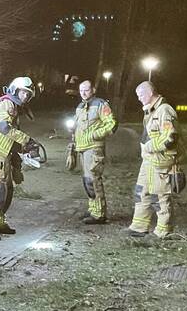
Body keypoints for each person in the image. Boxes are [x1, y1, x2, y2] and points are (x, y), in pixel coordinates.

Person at [0, 76, 37, 241]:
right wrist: (27, 141)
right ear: (15, 90)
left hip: (2, 150)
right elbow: (4, 128)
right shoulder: (6, 103)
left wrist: (18, 153)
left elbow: (9, 134)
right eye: (24, 92)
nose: (25, 96)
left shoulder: (12, 105)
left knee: (6, 188)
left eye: (28, 94)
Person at [128, 81, 180, 238]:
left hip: (160, 161)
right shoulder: (151, 110)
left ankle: (164, 231)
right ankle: (139, 226)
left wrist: (150, 146)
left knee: (160, 196)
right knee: (141, 192)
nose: (139, 98)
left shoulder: (165, 110)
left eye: (140, 95)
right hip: (149, 161)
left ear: (150, 93)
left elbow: (171, 137)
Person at [73, 79, 118, 224]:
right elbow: (77, 127)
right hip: (82, 148)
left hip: (94, 148)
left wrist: (95, 135)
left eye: (86, 90)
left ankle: (99, 214)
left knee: (93, 180)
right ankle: (93, 209)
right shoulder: (80, 106)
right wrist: (73, 143)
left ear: (93, 90)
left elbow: (112, 124)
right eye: (81, 90)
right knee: (87, 181)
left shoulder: (100, 104)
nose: (83, 93)